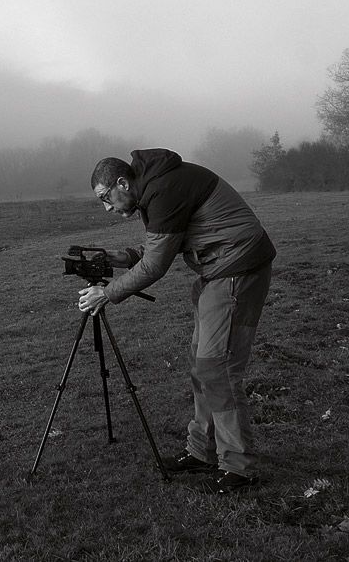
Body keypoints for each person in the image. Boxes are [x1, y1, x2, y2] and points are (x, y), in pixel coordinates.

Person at [76, 148, 276, 494]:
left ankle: (240, 468)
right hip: (218, 270)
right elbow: (160, 243)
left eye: (106, 198)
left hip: (236, 268)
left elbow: (156, 265)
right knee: (202, 366)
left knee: (217, 367)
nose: (107, 208)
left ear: (122, 182)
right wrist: (117, 257)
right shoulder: (155, 187)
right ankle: (203, 452)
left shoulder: (163, 189)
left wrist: (106, 294)